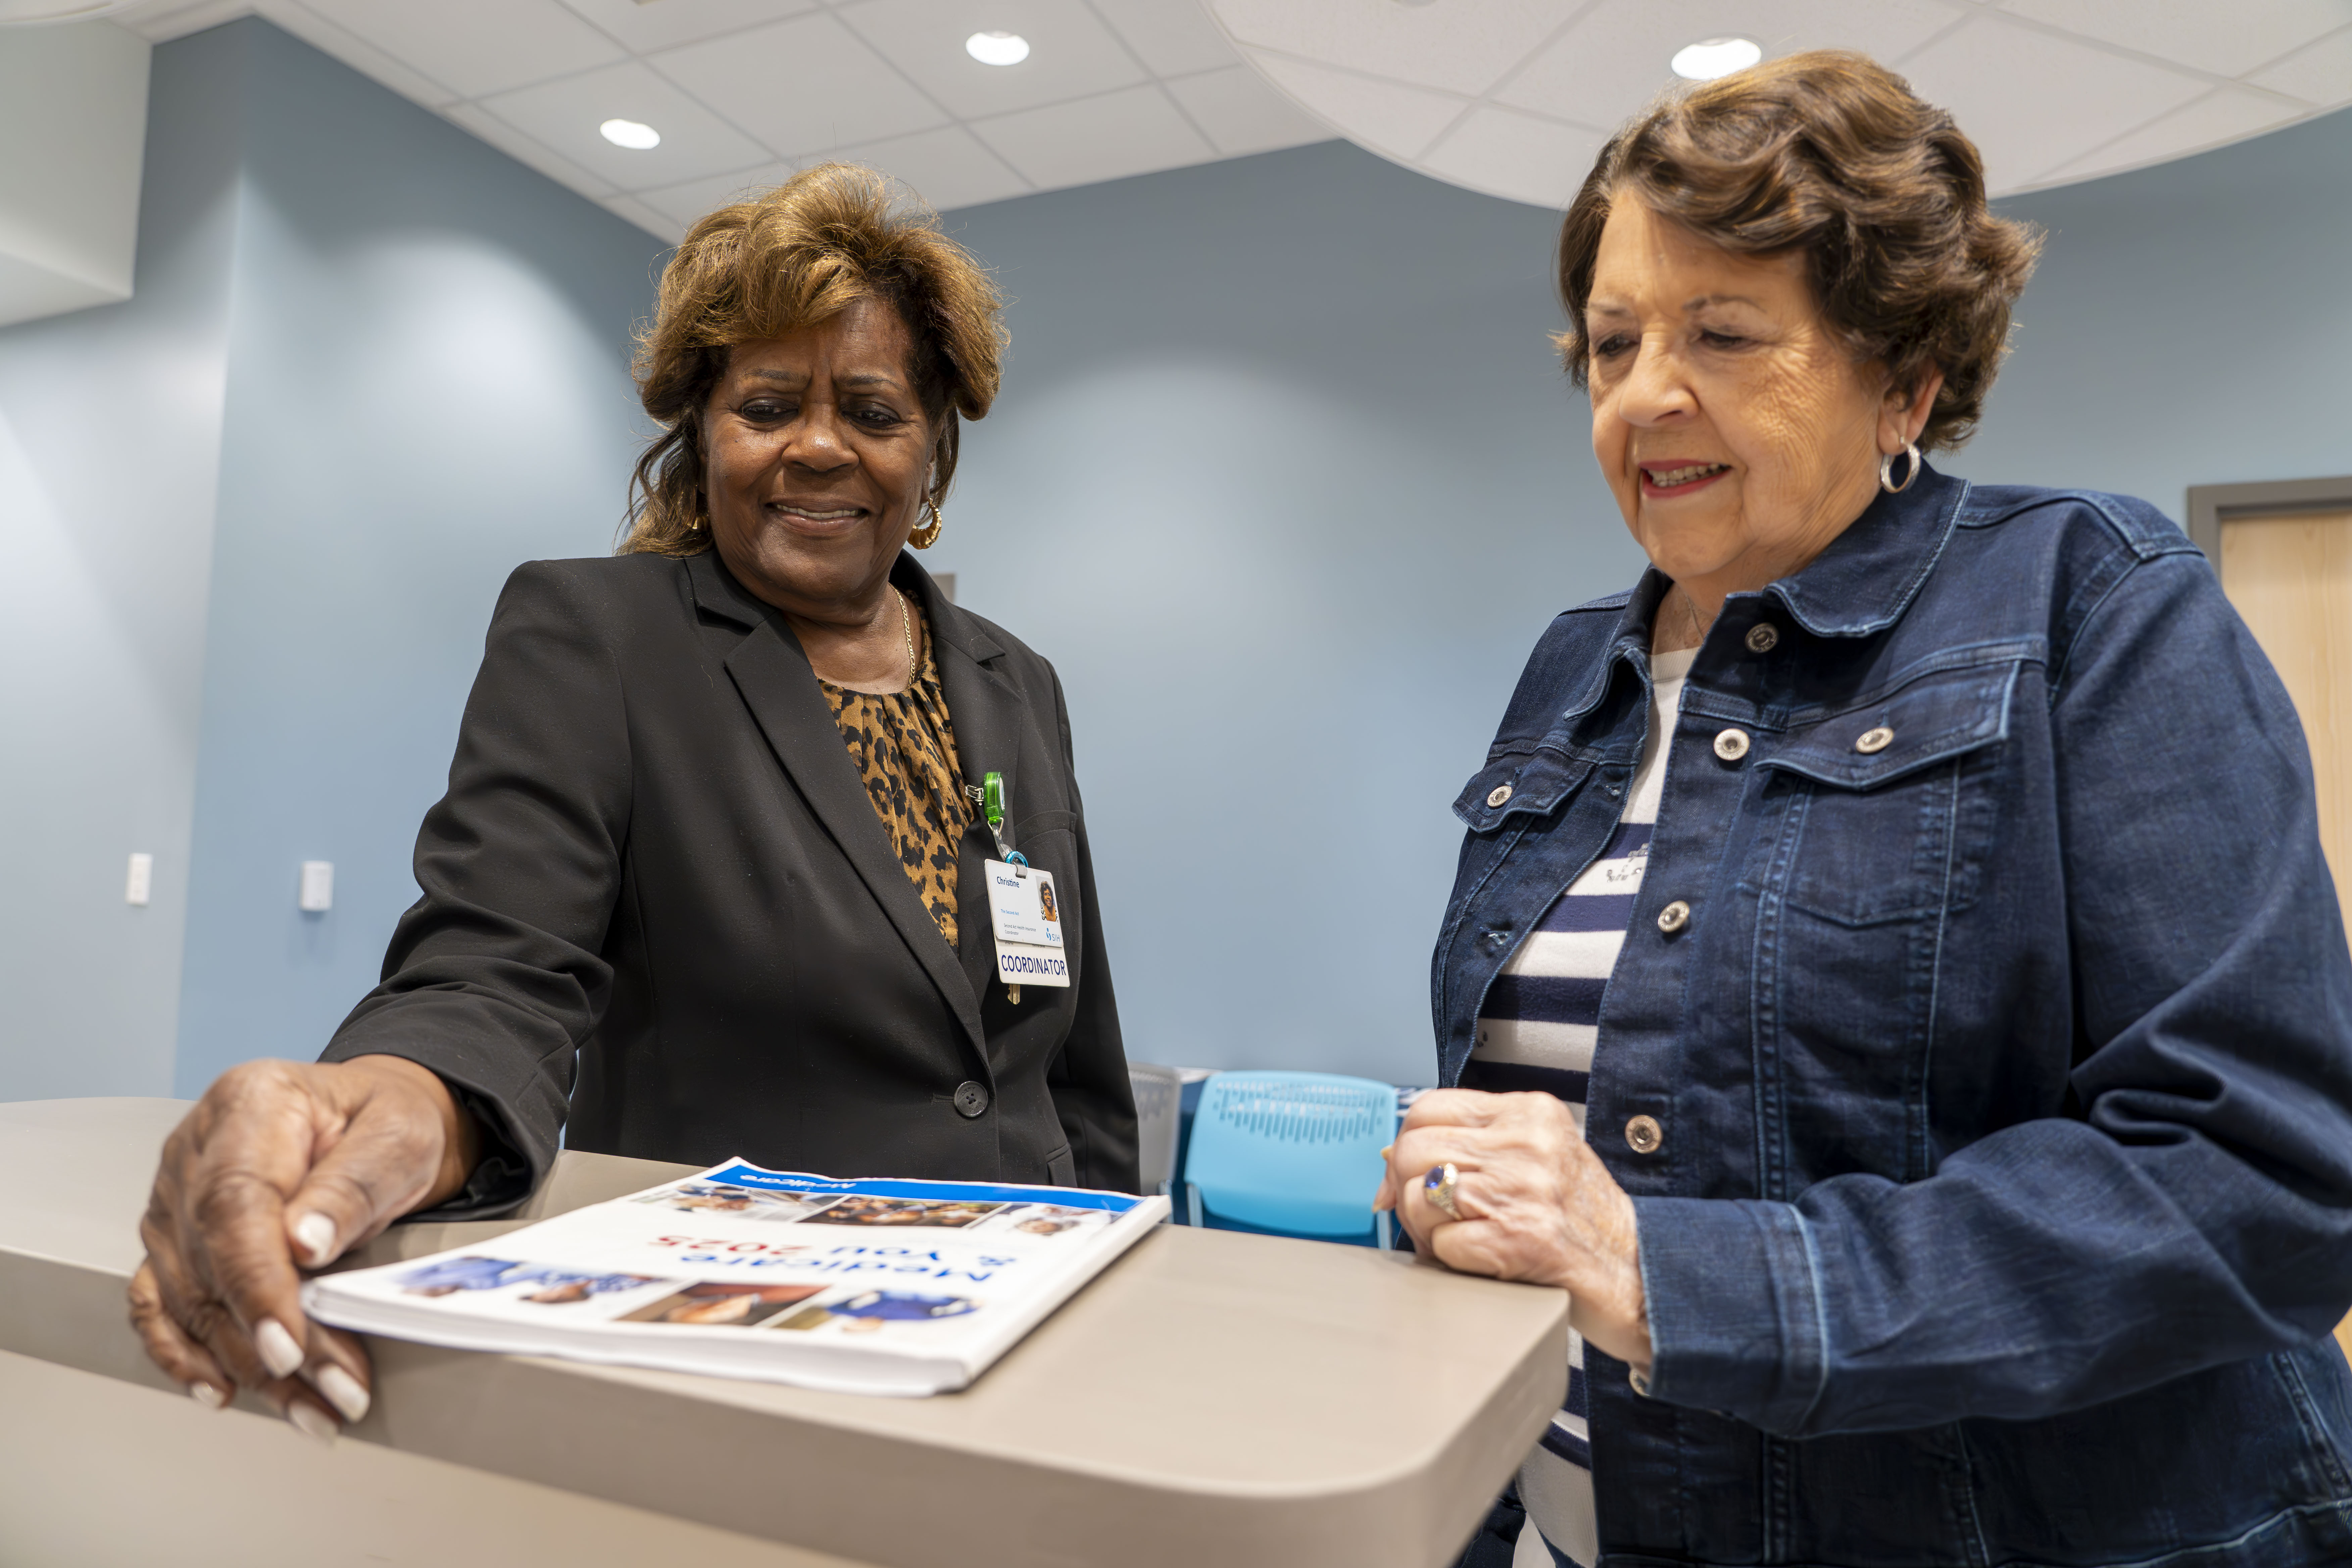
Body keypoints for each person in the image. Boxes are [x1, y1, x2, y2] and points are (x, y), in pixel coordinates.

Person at [1377, 52, 2352, 1568]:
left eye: (1722, 332)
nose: (1646, 394)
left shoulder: (2091, 600)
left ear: (1901, 375)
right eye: (1613, 342)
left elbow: (2262, 1178)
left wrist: (1668, 1270)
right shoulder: (1580, 666)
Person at [129, 165, 1137, 1442]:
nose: (819, 444)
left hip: (1029, 1323)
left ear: (929, 449)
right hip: (748, 1351)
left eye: (872, 410)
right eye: (768, 404)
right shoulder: (600, 639)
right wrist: (396, 1093)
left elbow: (1079, 1057)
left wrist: (1120, 1279)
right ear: (701, 432)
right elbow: (495, 962)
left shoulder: (1016, 681)